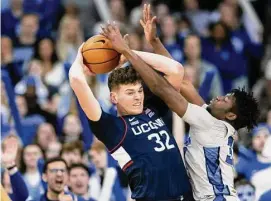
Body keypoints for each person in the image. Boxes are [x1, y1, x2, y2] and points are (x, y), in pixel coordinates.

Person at [100, 4, 259, 201]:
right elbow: (182, 82)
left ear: (231, 115)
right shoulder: (213, 121)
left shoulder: (208, 123)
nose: (219, 97)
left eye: (226, 100)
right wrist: (155, 42)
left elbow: (162, 89)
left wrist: (127, 51)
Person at [69, 25, 193, 201]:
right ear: (114, 98)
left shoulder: (153, 108)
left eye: (139, 91)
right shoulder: (111, 127)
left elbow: (175, 70)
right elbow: (76, 79)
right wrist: (80, 55)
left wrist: (126, 52)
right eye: (130, 93)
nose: (138, 97)